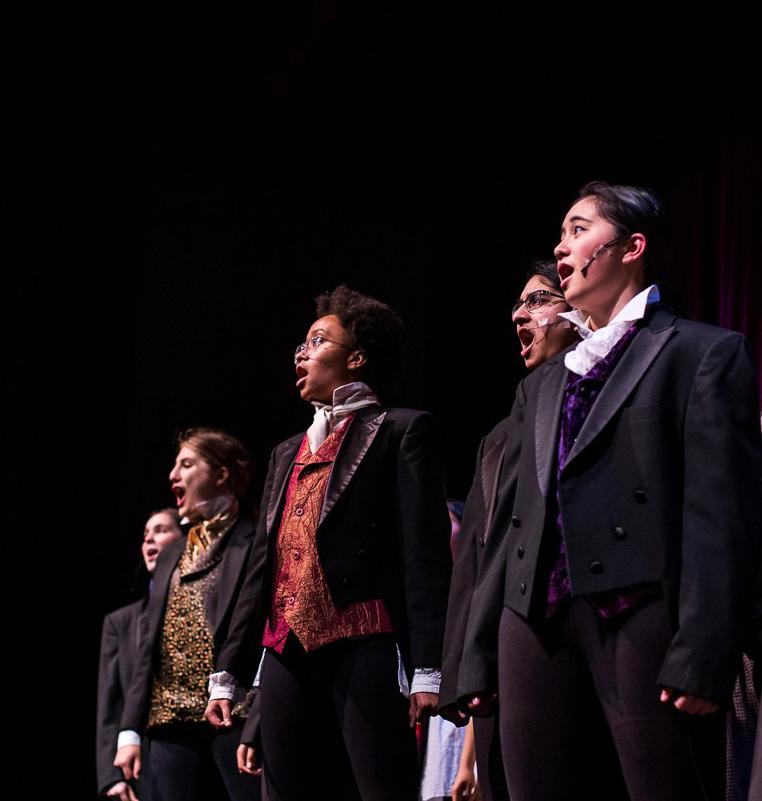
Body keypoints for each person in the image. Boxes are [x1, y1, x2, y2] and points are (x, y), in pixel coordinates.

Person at [466, 181, 761, 801]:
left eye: (579, 230)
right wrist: (477, 654)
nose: (561, 246)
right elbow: (511, 526)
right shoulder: (543, 383)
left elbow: (720, 516)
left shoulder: (700, 352)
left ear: (632, 248)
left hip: (641, 617)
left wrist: (705, 648)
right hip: (533, 625)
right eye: (562, 233)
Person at [205, 285, 452, 801]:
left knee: (378, 787)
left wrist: (428, 667)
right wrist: (229, 669)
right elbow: (264, 566)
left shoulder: (400, 430)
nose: (302, 353)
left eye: (317, 341)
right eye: (302, 343)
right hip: (286, 648)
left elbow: (423, 556)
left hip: (364, 640)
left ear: (356, 358)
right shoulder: (286, 451)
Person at [440, 261, 578, 801]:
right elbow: (478, 559)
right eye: (519, 305)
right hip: (509, 648)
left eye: (539, 299)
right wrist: (465, 666)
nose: (520, 316)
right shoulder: (499, 437)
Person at [116, 428, 260, 801]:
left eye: (186, 464)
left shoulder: (254, 540)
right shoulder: (171, 555)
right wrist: (129, 730)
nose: (172, 475)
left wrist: (259, 717)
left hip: (232, 716)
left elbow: (260, 632)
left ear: (221, 474)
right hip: (170, 722)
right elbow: (149, 648)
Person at [96, 508, 183, 800]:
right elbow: (111, 701)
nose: (149, 540)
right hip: (142, 762)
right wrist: (111, 777)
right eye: (145, 534)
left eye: (161, 530)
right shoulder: (122, 623)